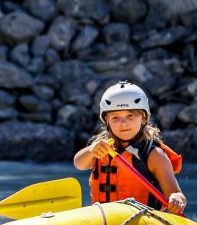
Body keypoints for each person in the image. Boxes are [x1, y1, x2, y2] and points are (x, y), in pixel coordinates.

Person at [74, 81, 186, 214]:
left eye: (130, 116)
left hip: (143, 222)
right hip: (104, 220)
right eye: (115, 118)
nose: (123, 123)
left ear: (143, 118)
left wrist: (176, 199)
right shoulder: (101, 148)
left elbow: (176, 192)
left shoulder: (154, 155)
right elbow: (78, 163)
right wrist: (91, 151)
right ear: (107, 121)